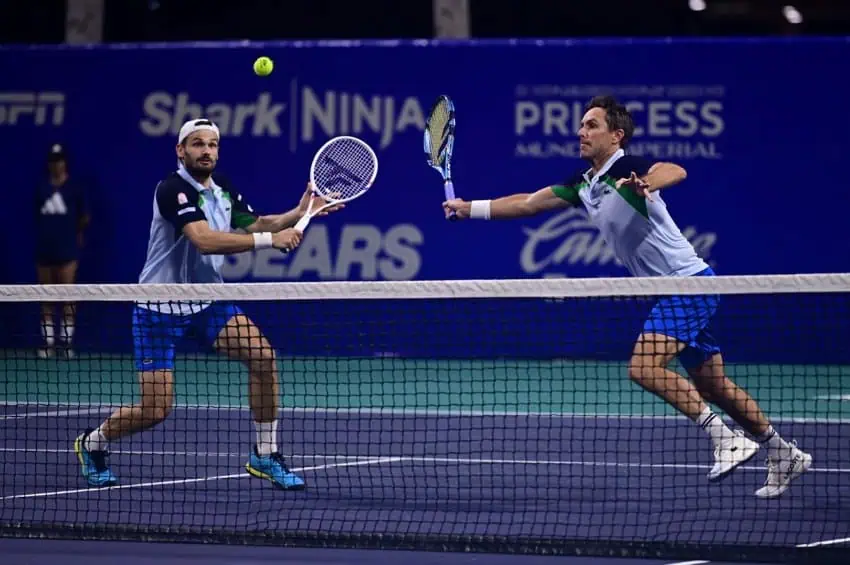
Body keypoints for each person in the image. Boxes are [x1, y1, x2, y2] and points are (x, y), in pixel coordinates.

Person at [442, 95, 811, 499]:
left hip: (688, 284)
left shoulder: (628, 168)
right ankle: (783, 452)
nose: (581, 132)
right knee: (714, 385)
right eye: (581, 125)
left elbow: (674, 169)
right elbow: (529, 203)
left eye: (591, 125)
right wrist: (468, 208)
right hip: (675, 291)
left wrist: (648, 183)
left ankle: (726, 439)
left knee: (643, 367)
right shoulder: (584, 184)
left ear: (616, 136)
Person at [74, 118, 340, 491]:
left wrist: (298, 212)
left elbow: (257, 222)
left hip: (206, 302)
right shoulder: (172, 190)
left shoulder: (222, 188)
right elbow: (204, 240)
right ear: (181, 150)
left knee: (263, 358)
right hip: (158, 308)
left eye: (212, 145)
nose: (206, 151)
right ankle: (93, 443)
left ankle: (265, 453)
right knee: (155, 410)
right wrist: (270, 242)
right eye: (197, 144)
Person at [34, 143, 90, 359]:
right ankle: (48, 343)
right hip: (44, 250)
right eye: (53, 161)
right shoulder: (41, 188)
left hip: (67, 251)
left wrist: (72, 235)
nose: (56, 164)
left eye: (59, 160)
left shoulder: (75, 188)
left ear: (65, 162)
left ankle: (66, 343)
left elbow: (84, 217)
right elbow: (37, 216)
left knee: (68, 296)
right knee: (45, 297)